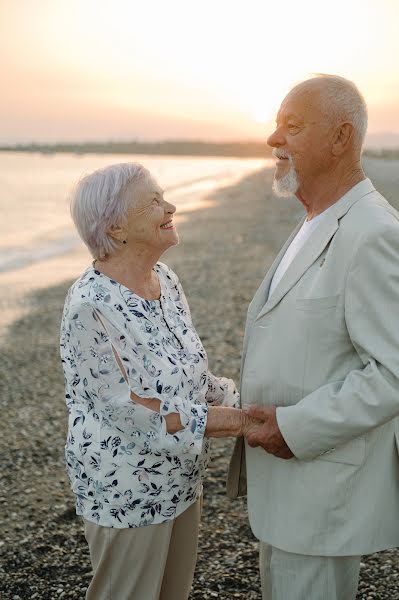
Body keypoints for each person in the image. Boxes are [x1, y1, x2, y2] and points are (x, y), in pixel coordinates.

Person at [227, 74, 399, 600]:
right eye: (276, 125)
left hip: (323, 491)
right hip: (286, 492)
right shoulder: (313, 219)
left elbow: (393, 372)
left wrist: (295, 427)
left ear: (341, 137)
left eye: (292, 126)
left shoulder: (373, 232)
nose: (274, 139)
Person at [60, 162, 258, 600]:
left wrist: (249, 404)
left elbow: (190, 375)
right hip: (126, 489)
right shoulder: (90, 306)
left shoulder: (165, 281)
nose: (171, 206)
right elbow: (125, 410)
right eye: (153, 202)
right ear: (116, 226)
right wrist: (233, 421)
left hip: (181, 479)